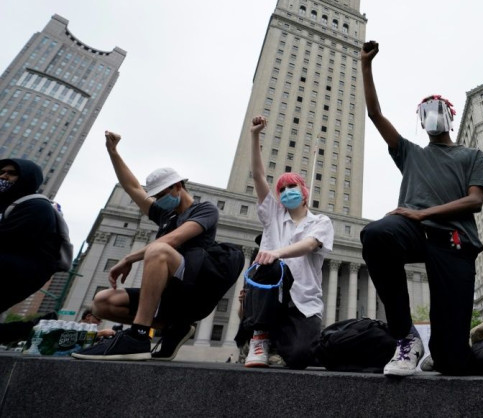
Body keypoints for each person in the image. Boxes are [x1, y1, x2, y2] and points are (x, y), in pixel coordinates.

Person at [359, 41, 483, 376]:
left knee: (453, 362)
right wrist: (366, 66)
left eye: (437, 109)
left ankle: (446, 352)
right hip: (412, 231)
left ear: (450, 115)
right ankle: (405, 336)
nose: (432, 114)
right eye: (425, 111)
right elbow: (375, 114)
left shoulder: (471, 156)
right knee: (376, 234)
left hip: (454, 239)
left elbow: (475, 200)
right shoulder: (410, 153)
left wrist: (423, 213)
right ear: (420, 120)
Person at [72, 131, 243, 361]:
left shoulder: (205, 210)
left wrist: (128, 258)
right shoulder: (165, 215)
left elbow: (173, 240)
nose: (159, 200)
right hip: (165, 295)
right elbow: (133, 187)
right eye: (156, 196)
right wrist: (113, 152)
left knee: (158, 249)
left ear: (178, 186)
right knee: (102, 302)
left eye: (162, 194)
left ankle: (139, 335)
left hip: (192, 286)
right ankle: (176, 326)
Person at [242, 115, 334, 369]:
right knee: (269, 266)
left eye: (292, 186)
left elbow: (308, 246)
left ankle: (278, 346)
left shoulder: (321, 222)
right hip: (272, 295)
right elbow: (259, 176)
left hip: (304, 302)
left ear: (304, 193)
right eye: (282, 189)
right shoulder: (273, 215)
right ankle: (259, 338)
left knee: (301, 356)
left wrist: (277, 252)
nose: (286, 192)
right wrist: (255, 134)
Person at [0, 159, 62, 313]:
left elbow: (9, 240)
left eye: (11, 173)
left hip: (16, 274)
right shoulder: (7, 205)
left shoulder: (37, 206)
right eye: (1, 172)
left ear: (27, 178)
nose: (3, 176)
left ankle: (32, 327)